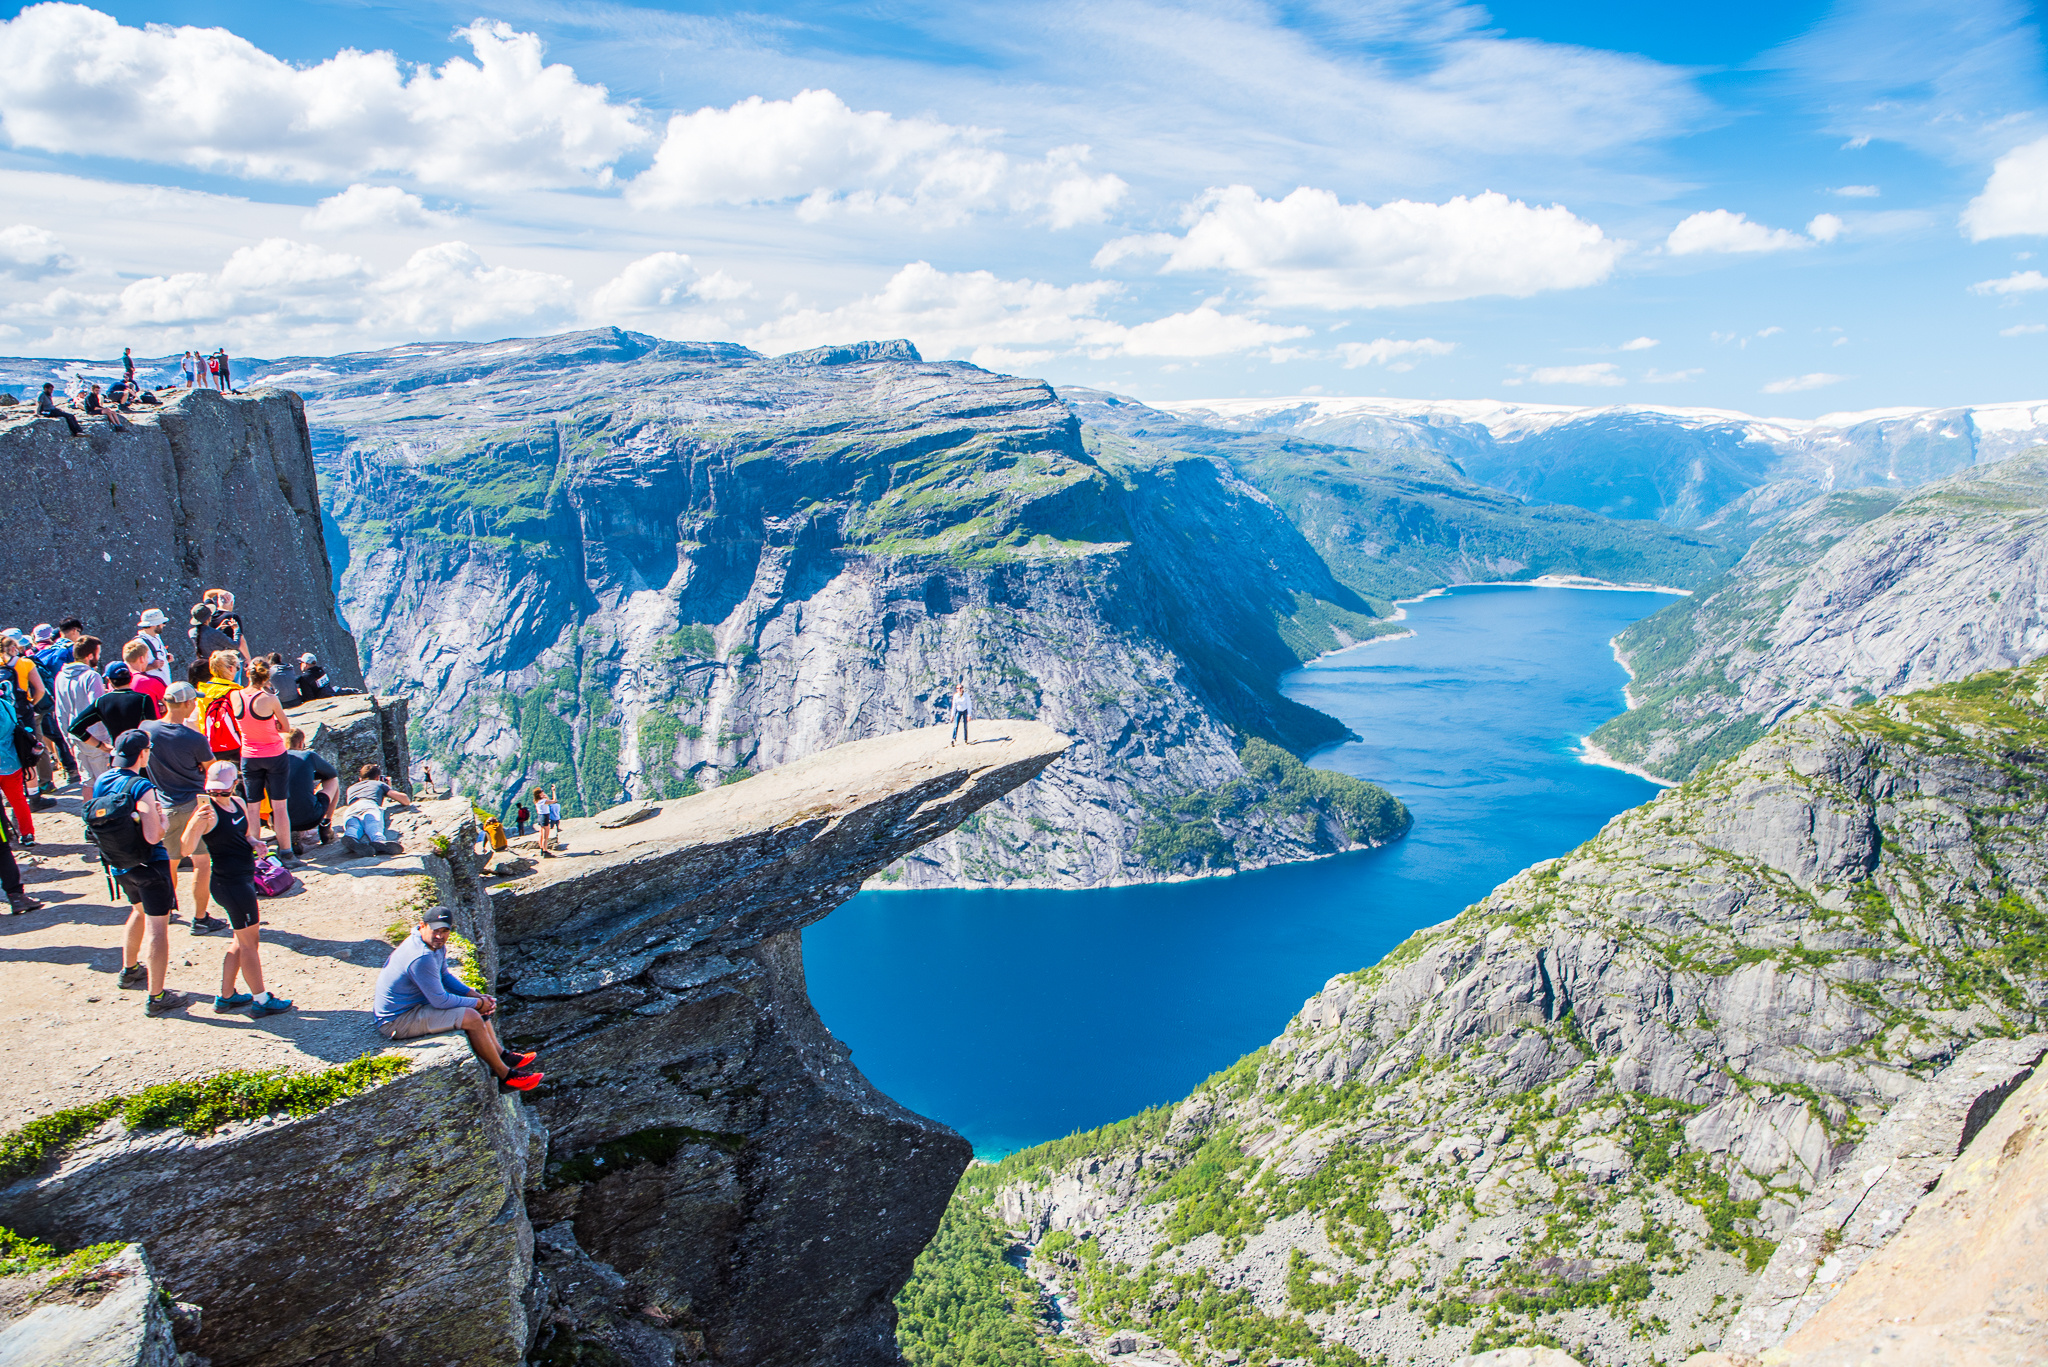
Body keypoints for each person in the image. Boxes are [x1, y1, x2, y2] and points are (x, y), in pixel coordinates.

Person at [372, 907, 539, 1093]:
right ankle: (506, 1076)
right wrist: (477, 1004)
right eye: (435, 930)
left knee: (473, 1004)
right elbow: (440, 1001)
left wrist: (474, 995)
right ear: (422, 926)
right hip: (397, 1021)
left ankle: (501, 1055)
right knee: (471, 1016)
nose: (440, 936)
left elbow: (444, 976)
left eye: (445, 931)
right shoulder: (421, 956)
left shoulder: (431, 944)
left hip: (415, 1006)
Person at [181, 761, 290, 1016]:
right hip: (229, 884)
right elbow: (185, 849)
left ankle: (226, 996)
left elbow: (243, 834)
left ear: (234, 786)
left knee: (240, 941)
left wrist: (254, 842)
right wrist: (193, 824)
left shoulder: (238, 804)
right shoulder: (206, 814)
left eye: (223, 791)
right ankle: (261, 1000)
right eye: (214, 791)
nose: (218, 796)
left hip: (243, 878)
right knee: (250, 942)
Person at [91, 730, 183, 1015]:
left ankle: (129, 970)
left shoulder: (102, 780)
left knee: (138, 911)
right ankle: (157, 997)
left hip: (119, 865)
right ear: (143, 753)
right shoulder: (141, 785)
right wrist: (164, 820)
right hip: (150, 866)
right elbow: (154, 835)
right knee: (158, 927)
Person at [143, 682, 228, 936]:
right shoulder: (195, 738)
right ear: (189, 704)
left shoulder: (147, 729)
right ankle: (200, 918)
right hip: (195, 805)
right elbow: (212, 769)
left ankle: (167, 910)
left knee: (169, 861)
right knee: (202, 862)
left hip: (163, 806)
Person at [68, 659, 161, 796]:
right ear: (130, 677)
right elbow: (152, 729)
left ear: (109, 680)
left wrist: (100, 745)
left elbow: (75, 727)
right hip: (142, 756)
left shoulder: (102, 701)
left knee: (123, 794)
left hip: (118, 755)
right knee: (146, 793)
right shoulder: (143, 699)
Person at [230, 659, 293, 858]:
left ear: (248, 674)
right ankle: (287, 852)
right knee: (280, 806)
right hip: (274, 754)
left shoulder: (234, 696)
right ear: (267, 677)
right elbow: (286, 728)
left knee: (253, 806)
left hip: (249, 756)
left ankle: (255, 854)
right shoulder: (270, 699)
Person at [54, 635, 109, 789]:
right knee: (106, 783)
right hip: (97, 738)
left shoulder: (60, 676)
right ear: (90, 656)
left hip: (76, 738)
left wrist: (68, 739)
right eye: (98, 654)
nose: (98, 658)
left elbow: (60, 712)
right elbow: (97, 707)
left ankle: (89, 812)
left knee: (87, 783)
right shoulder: (92, 676)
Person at [283, 727, 339, 853]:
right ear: (300, 743)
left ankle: (292, 835)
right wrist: (309, 775)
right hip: (311, 818)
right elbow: (332, 773)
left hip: (281, 821)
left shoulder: (274, 758)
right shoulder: (308, 755)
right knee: (334, 780)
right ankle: (326, 824)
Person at [340, 763, 411, 857]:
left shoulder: (351, 788)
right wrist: (388, 787)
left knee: (353, 826)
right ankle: (378, 841)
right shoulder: (379, 784)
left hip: (351, 808)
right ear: (378, 777)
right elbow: (405, 800)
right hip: (369, 805)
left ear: (360, 778)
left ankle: (351, 838)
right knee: (373, 824)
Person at [0, 675, 37, 846]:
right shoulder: (6, 706)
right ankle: (27, 834)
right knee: (18, 800)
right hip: (11, 761)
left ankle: (5, 835)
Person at [197, 650, 243, 762]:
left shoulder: (202, 691)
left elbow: (201, 720)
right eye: (237, 667)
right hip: (235, 745)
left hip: (210, 745)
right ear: (230, 668)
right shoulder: (235, 692)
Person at [190, 592, 250, 677]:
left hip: (204, 666)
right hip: (220, 666)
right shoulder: (214, 633)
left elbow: (207, 637)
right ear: (208, 617)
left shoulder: (192, 633)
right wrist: (236, 629)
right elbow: (235, 645)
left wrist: (220, 628)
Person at [134, 609, 174, 687]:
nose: (164, 625)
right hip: (150, 687)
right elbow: (133, 667)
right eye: (163, 623)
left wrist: (166, 658)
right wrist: (152, 666)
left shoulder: (157, 637)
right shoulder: (139, 642)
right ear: (154, 625)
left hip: (163, 684)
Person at [122, 639, 166, 710]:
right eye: (147, 657)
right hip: (149, 720)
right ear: (141, 659)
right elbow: (172, 704)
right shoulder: (150, 681)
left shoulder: (115, 681)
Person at [533, 785, 556, 856]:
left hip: (540, 817)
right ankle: (545, 852)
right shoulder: (543, 801)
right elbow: (554, 801)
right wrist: (553, 791)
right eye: (542, 792)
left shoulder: (537, 801)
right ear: (539, 794)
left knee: (541, 835)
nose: (543, 792)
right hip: (545, 817)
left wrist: (545, 797)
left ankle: (541, 849)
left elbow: (547, 802)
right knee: (545, 837)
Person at [949, 680, 973, 746]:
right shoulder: (955, 696)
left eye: (960, 688)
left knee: (965, 726)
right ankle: (953, 739)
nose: (959, 689)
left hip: (965, 711)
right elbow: (954, 706)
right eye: (957, 688)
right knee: (956, 725)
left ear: (962, 689)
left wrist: (969, 715)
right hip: (958, 711)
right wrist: (952, 715)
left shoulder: (966, 696)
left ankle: (965, 739)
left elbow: (969, 705)